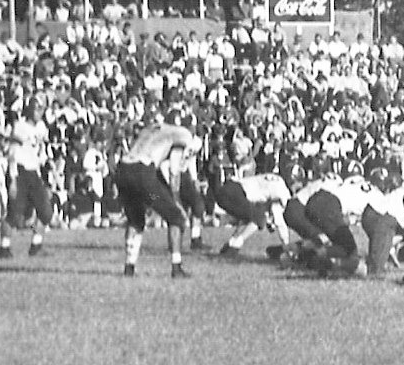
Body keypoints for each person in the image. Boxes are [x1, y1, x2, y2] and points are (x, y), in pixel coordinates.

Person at [113, 118, 200, 278]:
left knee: (135, 220)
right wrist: (175, 199)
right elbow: (174, 170)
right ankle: (176, 267)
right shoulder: (182, 135)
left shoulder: (151, 127)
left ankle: (129, 267)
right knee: (176, 217)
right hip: (142, 175)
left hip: (123, 172)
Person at [0, 110, 56, 259]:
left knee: (45, 212)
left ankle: (36, 246)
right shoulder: (20, 127)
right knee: (14, 215)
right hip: (20, 172)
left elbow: (38, 152)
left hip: (34, 172)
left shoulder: (41, 127)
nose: (40, 112)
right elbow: (13, 154)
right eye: (37, 109)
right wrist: (13, 180)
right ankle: (4, 248)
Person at [212, 171, 293, 258]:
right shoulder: (282, 194)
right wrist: (286, 246)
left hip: (226, 190)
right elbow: (279, 223)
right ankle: (235, 246)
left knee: (249, 218)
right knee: (260, 219)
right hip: (237, 193)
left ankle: (230, 244)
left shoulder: (276, 180)